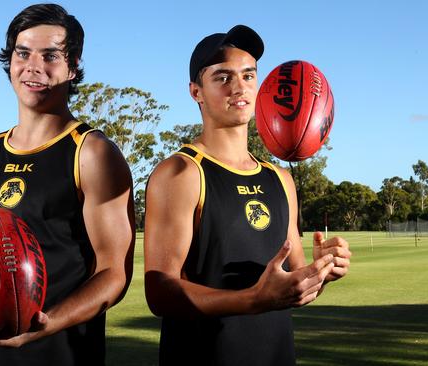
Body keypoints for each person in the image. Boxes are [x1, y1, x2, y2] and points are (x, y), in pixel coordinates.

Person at [0, 4, 135, 365]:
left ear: (73, 65)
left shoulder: (91, 153)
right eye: (23, 53)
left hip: (61, 354)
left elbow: (114, 273)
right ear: (10, 60)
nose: (33, 67)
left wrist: (47, 324)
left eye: (50, 55)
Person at [144, 25, 351, 365]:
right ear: (196, 91)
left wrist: (322, 271)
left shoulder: (280, 179)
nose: (239, 87)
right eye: (222, 77)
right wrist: (253, 299)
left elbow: (294, 285)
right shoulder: (181, 173)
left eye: (248, 75)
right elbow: (160, 293)